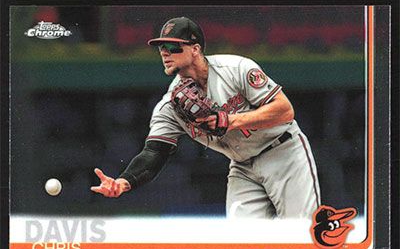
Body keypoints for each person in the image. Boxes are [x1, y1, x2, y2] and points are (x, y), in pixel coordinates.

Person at [91, 17, 321, 219]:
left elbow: (284, 110)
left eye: (172, 46)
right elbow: (154, 153)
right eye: (161, 48)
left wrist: (230, 121)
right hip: (243, 167)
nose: (164, 53)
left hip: (283, 152)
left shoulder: (235, 68)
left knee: (301, 237)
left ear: (195, 49)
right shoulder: (170, 107)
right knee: (245, 245)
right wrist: (124, 182)